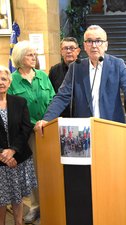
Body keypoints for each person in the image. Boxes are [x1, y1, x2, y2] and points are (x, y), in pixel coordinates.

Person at [34, 24, 126, 225]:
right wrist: (46, 119)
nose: (94, 45)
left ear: (106, 44)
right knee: (84, 180)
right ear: (84, 46)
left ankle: (111, 215)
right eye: (89, 41)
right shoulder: (76, 68)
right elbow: (62, 96)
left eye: (98, 41)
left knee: (110, 177)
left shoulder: (117, 64)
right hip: (82, 134)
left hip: (111, 132)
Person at [8, 40, 55, 224]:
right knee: (34, 171)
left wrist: (47, 121)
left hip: (48, 129)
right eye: (30, 54)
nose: (34, 57)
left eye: (34, 54)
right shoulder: (12, 79)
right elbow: (13, 109)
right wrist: (35, 124)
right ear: (20, 58)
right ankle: (36, 206)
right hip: (27, 133)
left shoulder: (43, 76)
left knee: (50, 168)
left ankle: (52, 204)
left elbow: (53, 98)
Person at [0, 65, 37, 225]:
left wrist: (13, 151)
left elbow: (26, 128)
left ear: (9, 82)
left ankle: (18, 222)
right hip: (0, 162)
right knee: (0, 200)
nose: (0, 82)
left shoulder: (20, 102)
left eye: (3, 79)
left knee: (18, 196)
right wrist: (3, 154)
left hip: (19, 158)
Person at [49, 37, 81, 117]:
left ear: (78, 51)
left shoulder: (85, 68)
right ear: (61, 52)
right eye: (65, 48)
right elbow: (52, 95)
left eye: (72, 48)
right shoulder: (54, 70)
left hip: (82, 116)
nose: (69, 51)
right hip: (61, 116)